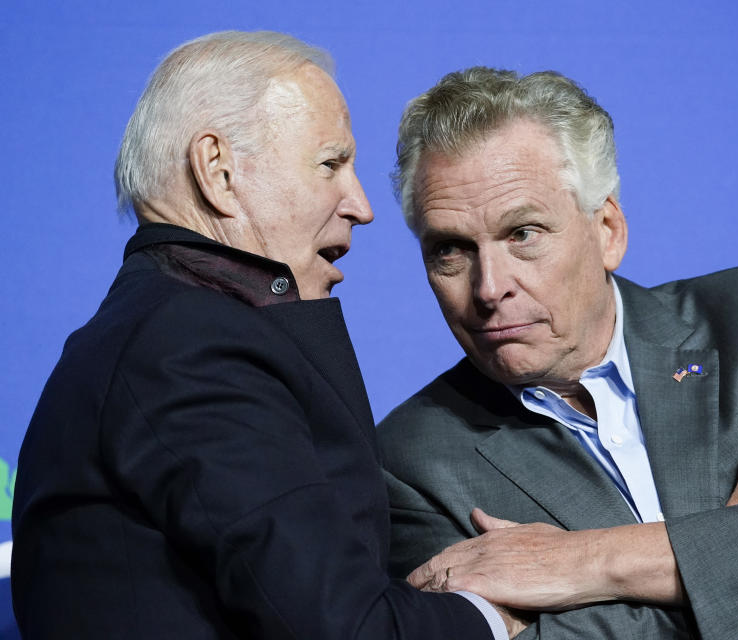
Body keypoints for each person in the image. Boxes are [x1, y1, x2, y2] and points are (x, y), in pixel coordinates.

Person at [377, 67, 738, 639]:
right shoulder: (411, 463)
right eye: (450, 250)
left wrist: (586, 563)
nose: (487, 287)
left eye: (523, 233)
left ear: (607, 229)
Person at [11, 32, 516, 640]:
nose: (362, 205)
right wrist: (496, 611)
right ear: (218, 171)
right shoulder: (187, 344)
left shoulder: (161, 327)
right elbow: (343, 628)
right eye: (331, 164)